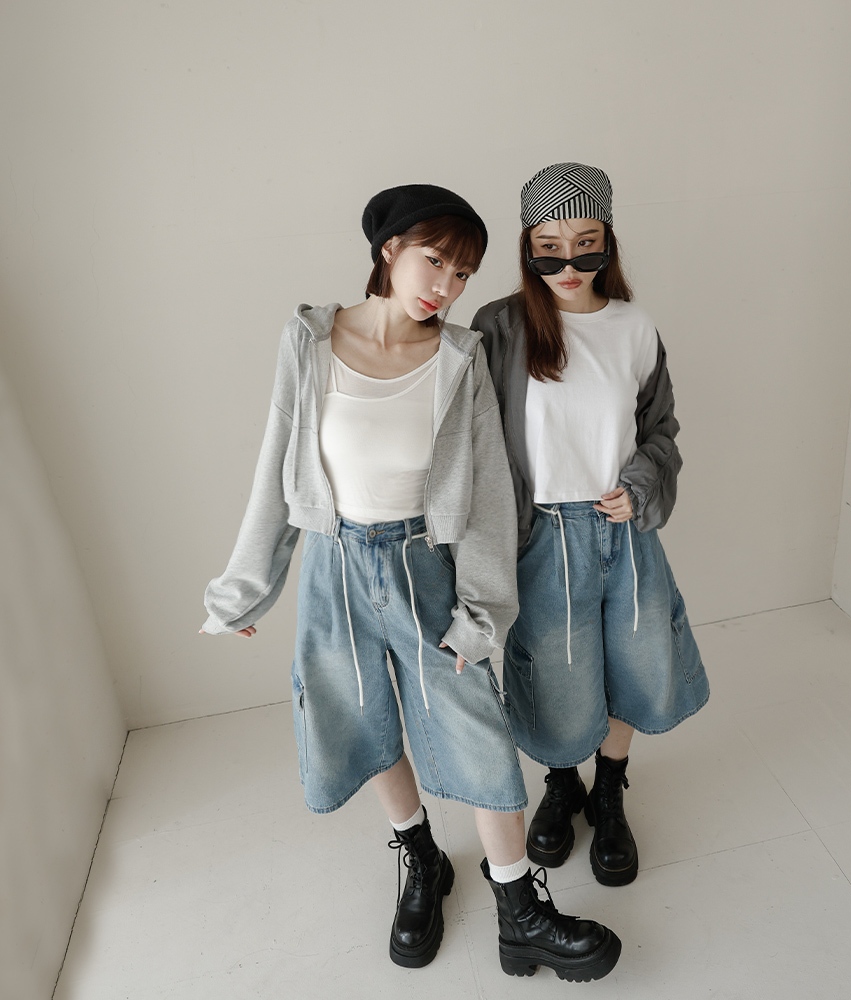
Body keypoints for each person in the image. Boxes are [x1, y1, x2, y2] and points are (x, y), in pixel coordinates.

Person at [201, 184, 620, 981]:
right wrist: (246, 587)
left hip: (424, 564)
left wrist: (482, 612)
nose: (445, 286)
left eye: (462, 274)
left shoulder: (461, 357)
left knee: (476, 727)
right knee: (359, 716)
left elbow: (488, 496)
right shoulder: (309, 341)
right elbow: (278, 467)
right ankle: (421, 857)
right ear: (389, 250)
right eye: (435, 262)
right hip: (333, 564)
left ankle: (520, 912)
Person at [471, 163, 710, 888]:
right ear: (527, 247)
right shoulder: (500, 326)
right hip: (543, 534)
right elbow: (472, 440)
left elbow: (661, 430)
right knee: (558, 674)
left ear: (608, 241)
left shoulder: (634, 326)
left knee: (635, 662)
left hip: (625, 531)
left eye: (586, 245)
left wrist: (640, 487)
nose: (568, 265)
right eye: (549, 248)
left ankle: (609, 788)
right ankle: (561, 782)